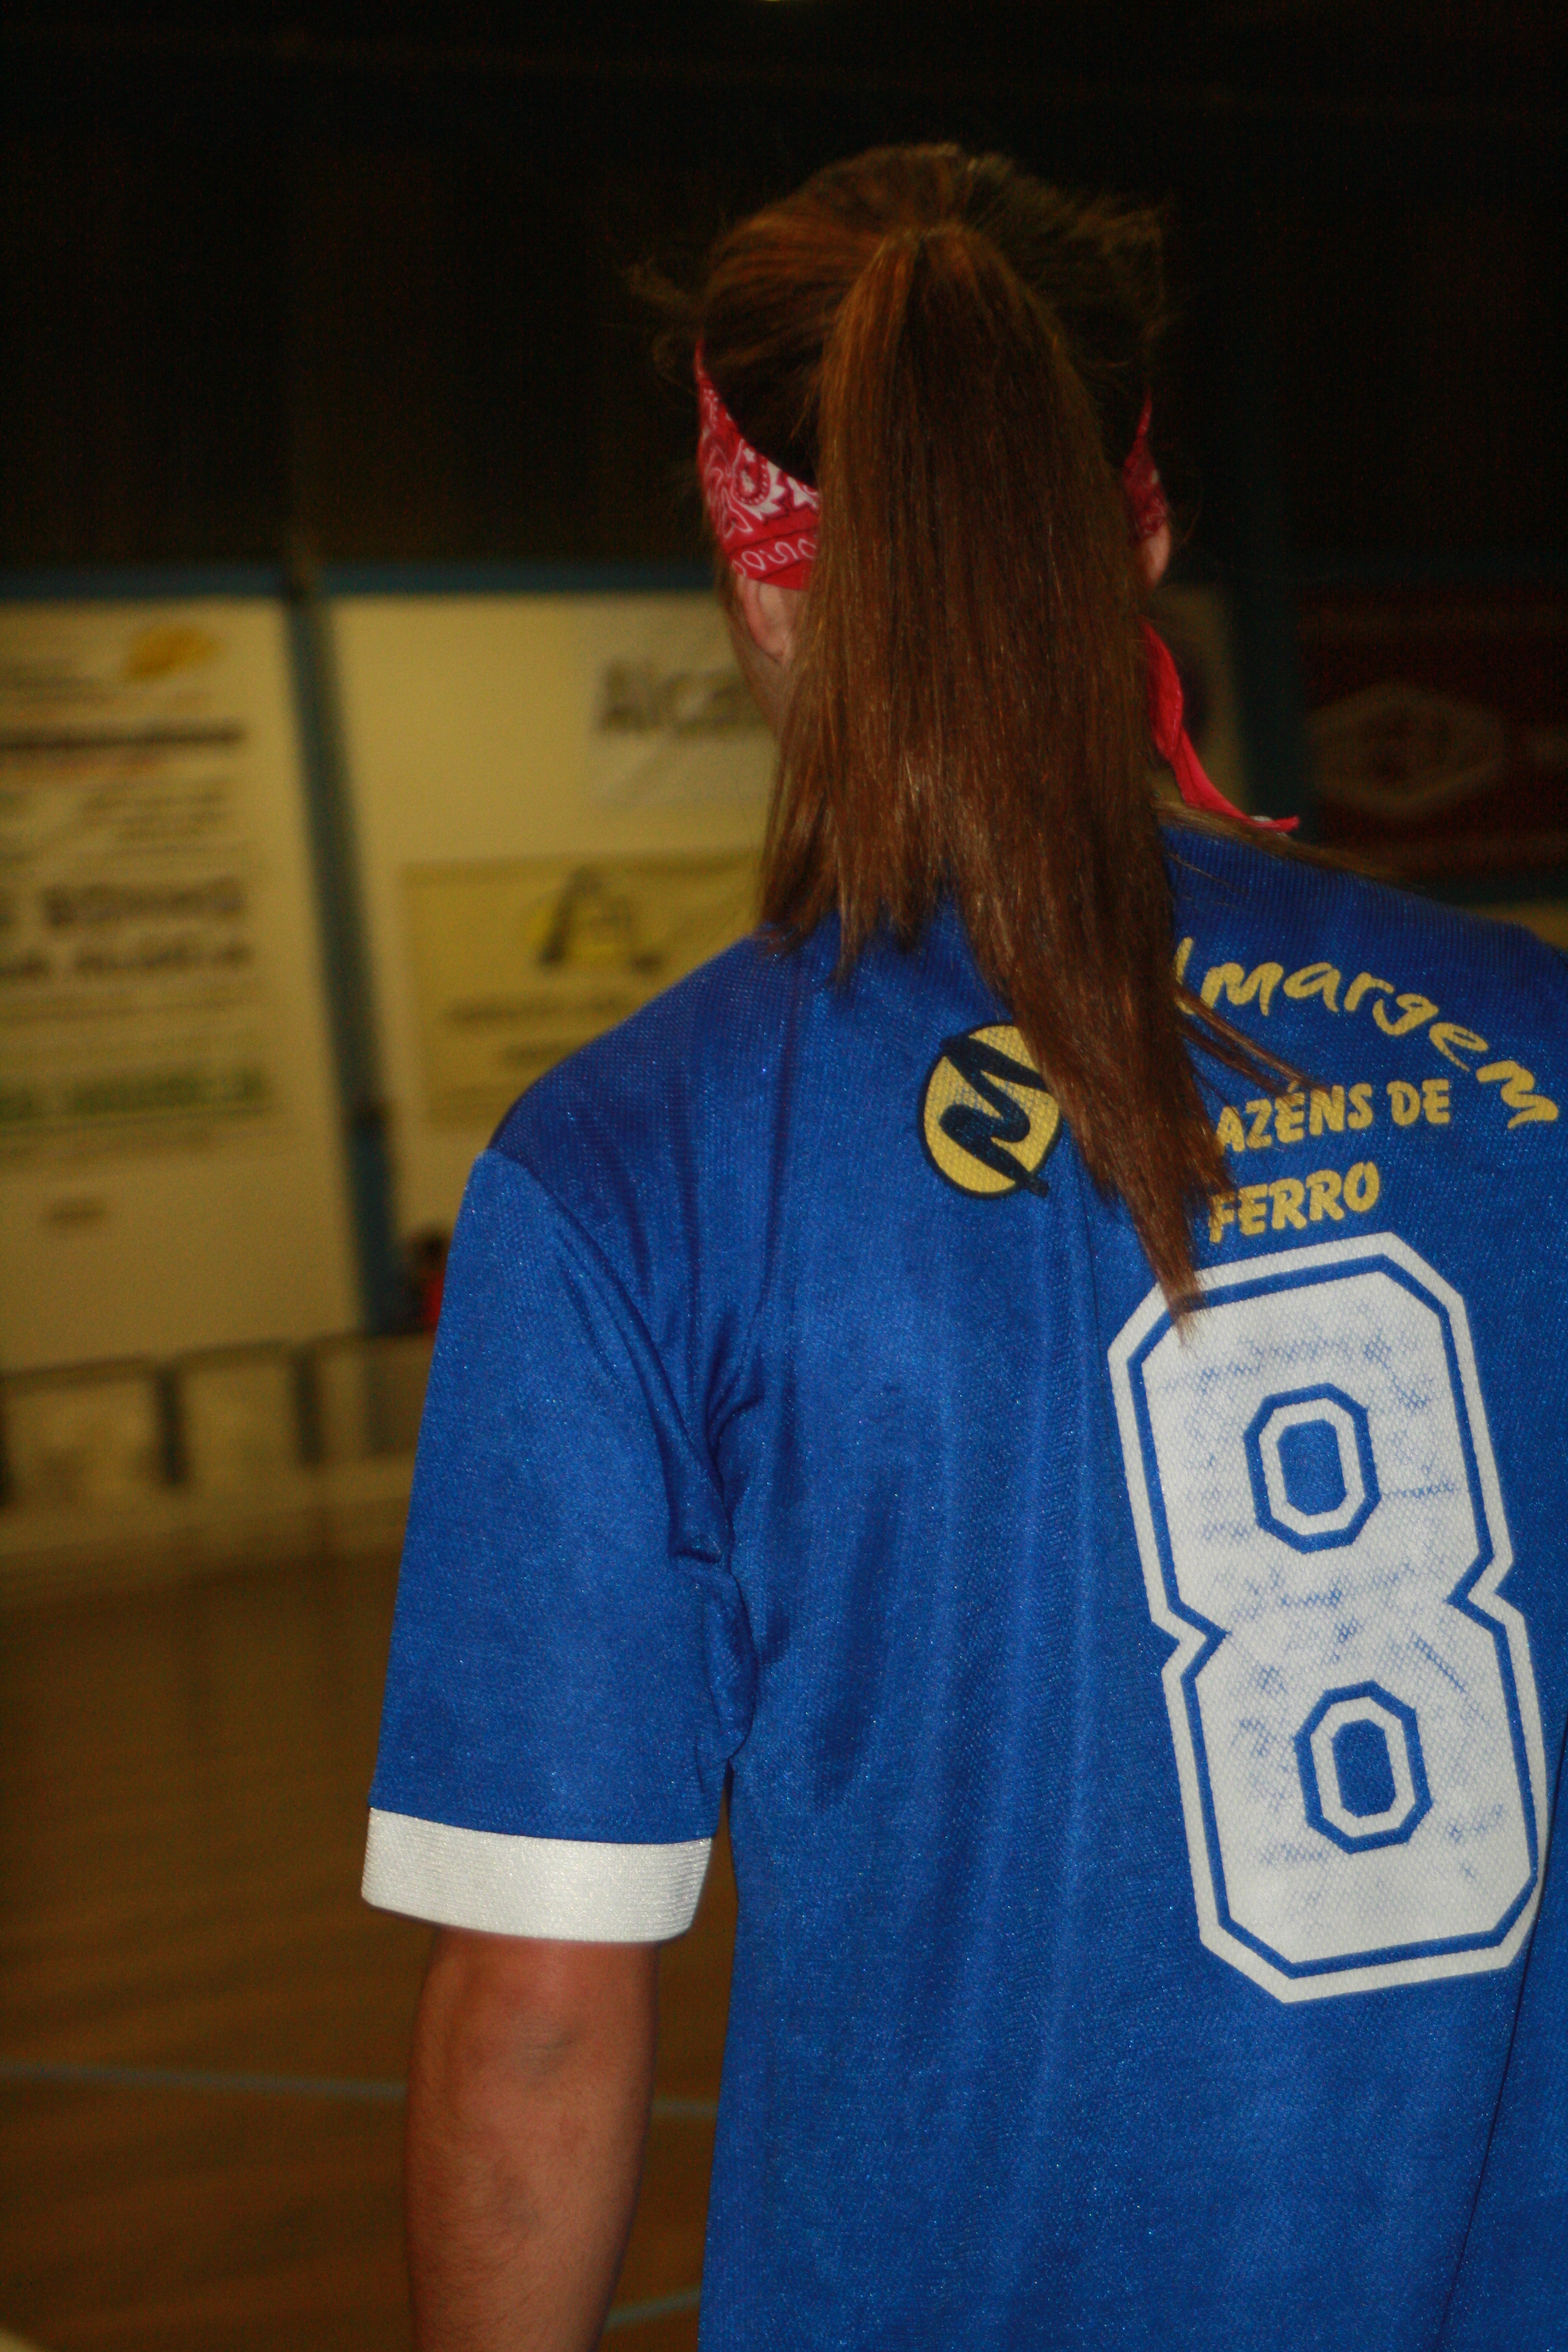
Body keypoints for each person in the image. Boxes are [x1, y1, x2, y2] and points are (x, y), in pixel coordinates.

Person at [363, 146, 1566, 2350]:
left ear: (761, 592)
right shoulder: (1534, 1051)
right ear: (1146, 534)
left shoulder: (631, 1174)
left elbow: (539, 2014)